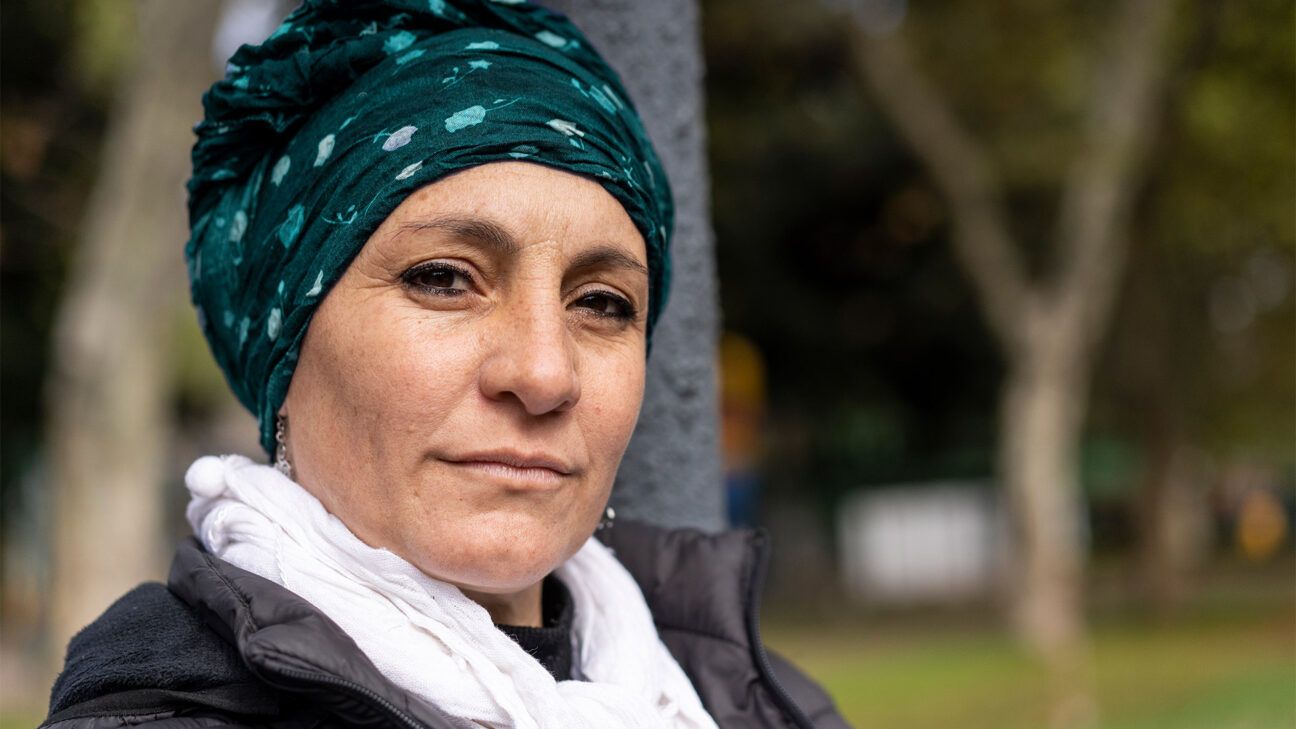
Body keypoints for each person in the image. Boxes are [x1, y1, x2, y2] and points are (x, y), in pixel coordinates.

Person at [43, 2, 849, 727]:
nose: (544, 373)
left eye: (602, 302)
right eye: (443, 279)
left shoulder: (755, 698)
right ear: (284, 355)